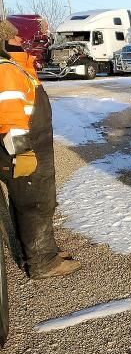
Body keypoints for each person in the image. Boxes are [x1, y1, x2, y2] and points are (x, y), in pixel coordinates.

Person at [0, 20, 80, 278]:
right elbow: (10, 116)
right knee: (34, 203)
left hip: (34, 144)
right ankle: (42, 263)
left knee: (38, 201)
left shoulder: (15, 67)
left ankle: (43, 252)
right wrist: (21, 151)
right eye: (14, 38)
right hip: (25, 148)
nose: (20, 40)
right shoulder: (5, 70)